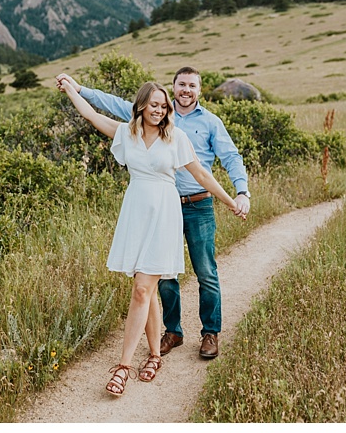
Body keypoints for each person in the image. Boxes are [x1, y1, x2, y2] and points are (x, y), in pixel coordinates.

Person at [56, 79, 242, 396]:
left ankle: (123, 367)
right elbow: (91, 115)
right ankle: (155, 355)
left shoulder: (176, 138)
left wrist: (231, 200)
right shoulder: (127, 134)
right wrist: (71, 89)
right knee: (146, 289)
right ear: (141, 106)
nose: (159, 110)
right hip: (136, 214)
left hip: (164, 216)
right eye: (153, 104)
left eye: (163, 105)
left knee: (142, 289)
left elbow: (201, 174)